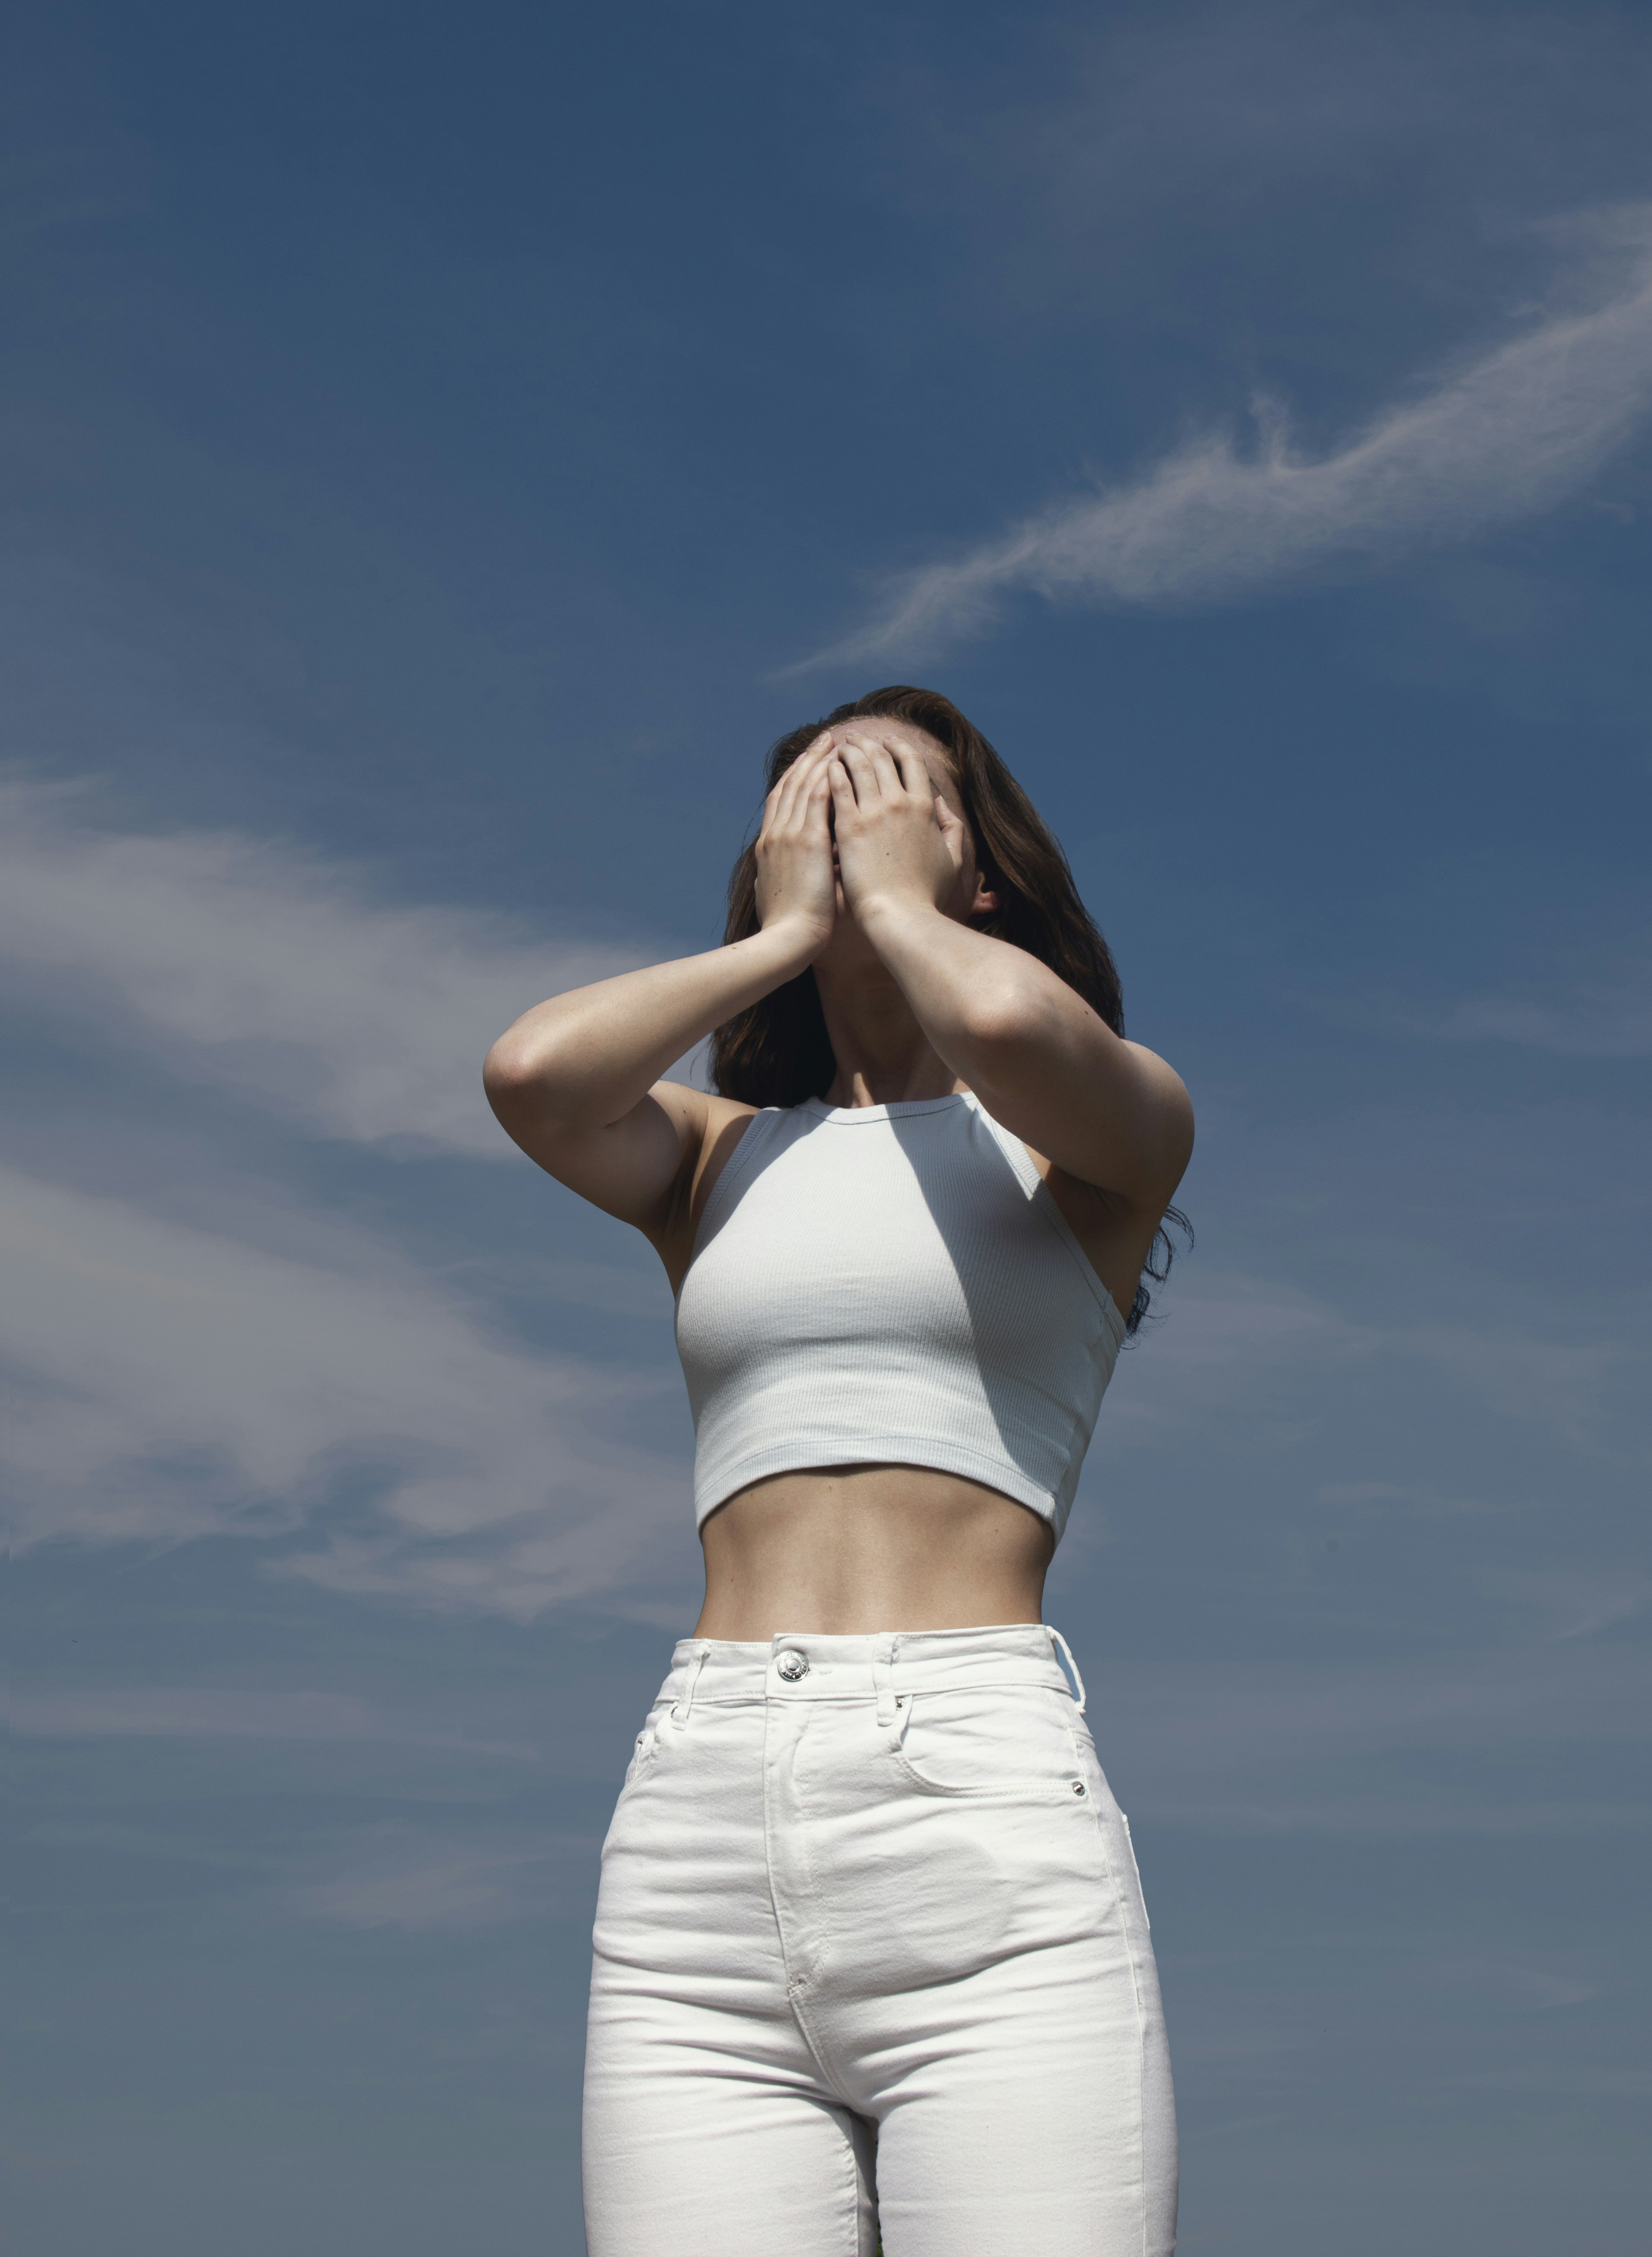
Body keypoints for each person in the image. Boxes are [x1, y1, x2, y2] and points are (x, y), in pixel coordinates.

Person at [484, 685, 1194, 2257]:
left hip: (977, 1810)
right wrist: (782, 936)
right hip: (698, 1830)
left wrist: (890, 899)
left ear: (980, 866)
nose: (836, 805)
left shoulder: (1090, 1140)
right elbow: (534, 1073)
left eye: (884, 788)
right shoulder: (718, 1156)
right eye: (803, 797)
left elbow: (1001, 1026)